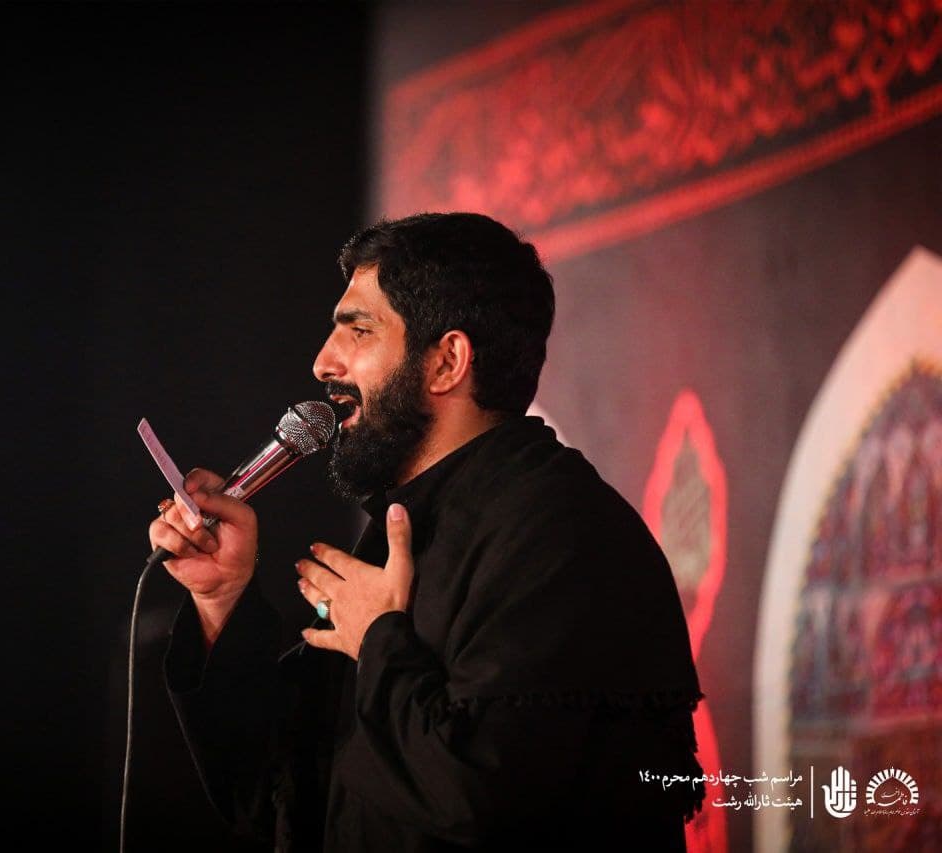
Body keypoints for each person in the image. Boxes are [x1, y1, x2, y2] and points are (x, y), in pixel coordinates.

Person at [147, 212, 706, 851]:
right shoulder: (410, 523)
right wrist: (220, 600)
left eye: (359, 330)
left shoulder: (564, 535)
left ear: (446, 362)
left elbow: (488, 797)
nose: (323, 362)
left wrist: (378, 641)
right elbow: (277, 793)